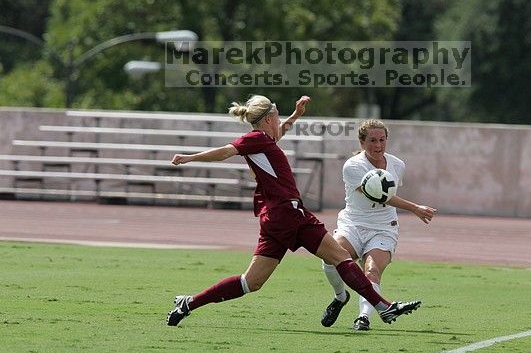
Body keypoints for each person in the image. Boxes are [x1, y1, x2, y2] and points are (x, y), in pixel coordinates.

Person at [166, 95, 421, 326]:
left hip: (274, 218)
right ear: (268, 119)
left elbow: (279, 133)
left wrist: (296, 116)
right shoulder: (255, 139)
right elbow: (225, 152)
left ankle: (188, 303)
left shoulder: (264, 140)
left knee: (251, 282)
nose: (280, 122)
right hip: (289, 213)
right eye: (277, 117)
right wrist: (190, 157)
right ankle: (383, 307)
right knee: (340, 257)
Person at [320, 119, 436, 331]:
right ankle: (340, 296)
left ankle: (363, 318)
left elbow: (388, 195)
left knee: (372, 271)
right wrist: (415, 208)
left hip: (383, 227)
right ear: (362, 142)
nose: (378, 145)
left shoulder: (397, 165)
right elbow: (381, 195)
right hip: (353, 223)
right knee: (330, 258)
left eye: (382, 140)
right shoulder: (353, 166)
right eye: (372, 140)